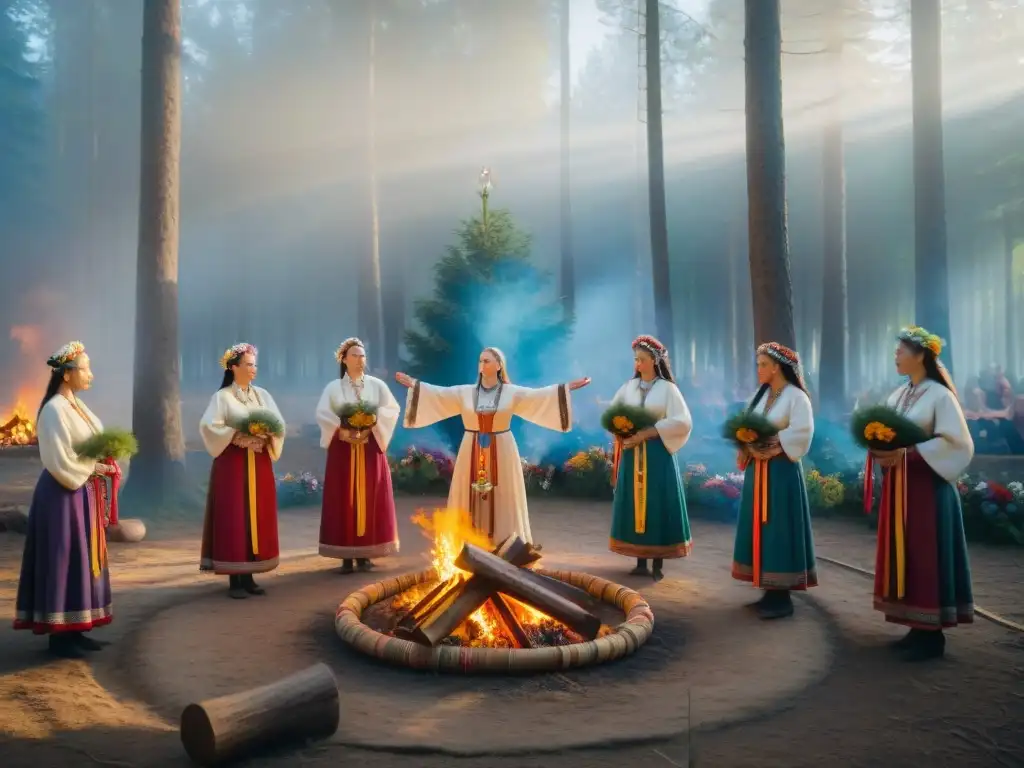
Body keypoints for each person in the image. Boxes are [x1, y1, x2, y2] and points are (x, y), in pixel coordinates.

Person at [395, 349, 590, 544]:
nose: (482, 364)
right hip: (471, 447)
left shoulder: (510, 392)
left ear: (499, 365)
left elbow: (538, 397)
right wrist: (414, 384)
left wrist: (566, 388)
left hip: (502, 448)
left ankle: (503, 542)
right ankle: (467, 542)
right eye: (480, 361)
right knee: (469, 492)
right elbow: (439, 394)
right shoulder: (465, 392)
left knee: (502, 493)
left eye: (487, 361)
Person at [867, 326, 974, 661]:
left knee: (927, 552)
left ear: (921, 355)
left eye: (901, 351)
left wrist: (909, 453)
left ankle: (932, 634)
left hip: (928, 490)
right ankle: (915, 624)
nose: (895, 356)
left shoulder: (940, 395)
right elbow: (884, 432)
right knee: (907, 552)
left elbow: (956, 443)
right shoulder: (898, 395)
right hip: (901, 486)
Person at [13, 341, 117, 658]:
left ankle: (79, 629)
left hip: (82, 491)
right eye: (86, 369)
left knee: (84, 558)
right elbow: (59, 460)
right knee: (65, 557)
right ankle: (60, 637)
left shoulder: (76, 406)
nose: (91, 375)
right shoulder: (54, 409)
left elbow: (87, 446)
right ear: (68, 374)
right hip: (62, 494)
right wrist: (94, 467)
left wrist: (106, 458)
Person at [731, 341, 817, 619]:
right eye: (758, 364)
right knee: (760, 527)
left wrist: (775, 442)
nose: (758, 369)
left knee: (778, 527)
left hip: (781, 475)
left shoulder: (796, 397)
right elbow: (747, 426)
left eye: (763, 364)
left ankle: (782, 598)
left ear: (778, 366)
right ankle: (768, 589)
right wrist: (745, 446)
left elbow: (803, 431)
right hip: (759, 471)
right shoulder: (760, 395)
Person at [199, 343, 286, 598]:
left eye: (254, 364)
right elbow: (208, 426)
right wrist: (235, 432)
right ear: (233, 367)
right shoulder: (222, 397)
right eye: (248, 364)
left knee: (256, 513)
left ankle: (249, 574)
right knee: (234, 514)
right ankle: (234, 579)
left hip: (259, 462)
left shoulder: (262, 395)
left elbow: (279, 424)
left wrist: (268, 433)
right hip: (232, 464)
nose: (253, 369)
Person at [608, 336, 693, 582]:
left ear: (655, 361)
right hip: (633, 453)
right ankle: (640, 561)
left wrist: (651, 431)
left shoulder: (668, 389)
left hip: (657, 455)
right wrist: (622, 431)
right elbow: (613, 413)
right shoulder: (629, 388)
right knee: (635, 502)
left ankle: (658, 562)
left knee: (656, 502)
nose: (638, 364)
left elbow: (683, 421)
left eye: (642, 360)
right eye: (636, 360)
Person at [316, 338, 401, 573]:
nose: (360, 360)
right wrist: (342, 431)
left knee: (370, 496)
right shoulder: (334, 388)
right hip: (343, 450)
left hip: (369, 448)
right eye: (355, 355)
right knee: (344, 497)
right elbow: (324, 413)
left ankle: (366, 552)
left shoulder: (376, 385)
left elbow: (391, 409)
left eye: (363, 355)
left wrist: (372, 425)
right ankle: (345, 555)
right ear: (344, 359)